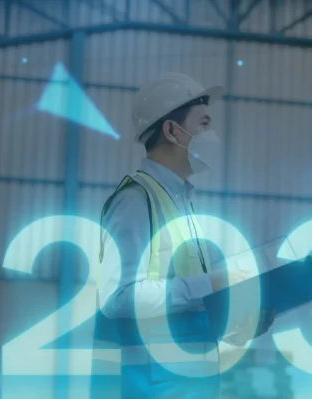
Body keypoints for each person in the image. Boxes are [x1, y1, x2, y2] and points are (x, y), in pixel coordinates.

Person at [94, 72, 272, 398]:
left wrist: (236, 321)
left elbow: (186, 304)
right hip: (151, 386)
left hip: (186, 383)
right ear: (172, 131)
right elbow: (116, 297)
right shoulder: (136, 200)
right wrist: (213, 282)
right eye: (204, 124)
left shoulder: (182, 202)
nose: (212, 135)